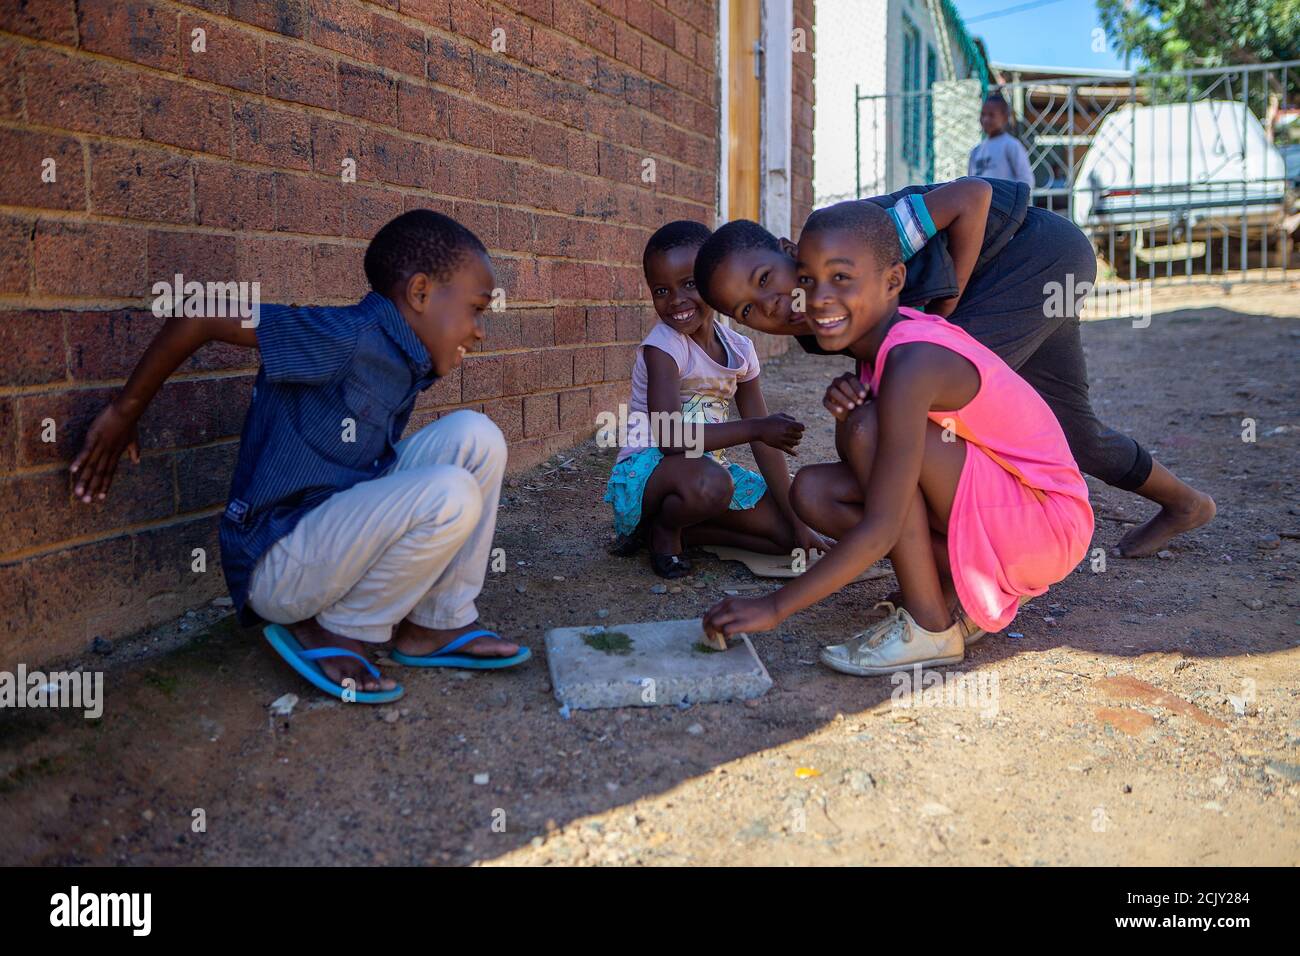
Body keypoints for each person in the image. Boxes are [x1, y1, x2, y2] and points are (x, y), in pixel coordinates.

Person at [69, 210, 529, 704]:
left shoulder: (404, 354)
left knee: (478, 436)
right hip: (280, 563)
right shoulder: (341, 335)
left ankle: (435, 624)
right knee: (451, 494)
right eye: (476, 309)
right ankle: (339, 629)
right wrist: (124, 412)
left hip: (331, 542)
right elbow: (199, 315)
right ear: (419, 294)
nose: (479, 330)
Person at [692, 178, 1215, 558]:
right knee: (1072, 431)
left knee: (934, 411)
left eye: (766, 279)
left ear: (789, 252)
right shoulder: (823, 323)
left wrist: (950, 304)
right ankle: (1186, 504)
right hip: (1035, 270)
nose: (773, 306)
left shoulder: (852, 243)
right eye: (747, 311)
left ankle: (951, 566)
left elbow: (973, 197)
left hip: (1032, 251)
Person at [702, 202, 1094, 673]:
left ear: (893, 281)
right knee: (814, 489)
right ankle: (959, 591)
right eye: (808, 280)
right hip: (1012, 519)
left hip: (1046, 523)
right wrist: (850, 416)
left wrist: (774, 606)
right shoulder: (878, 352)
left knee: (870, 428)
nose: (820, 297)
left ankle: (930, 626)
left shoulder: (913, 360)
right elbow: (866, 463)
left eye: (841, 278)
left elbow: (884, 522)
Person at [604, 221, 824, 578]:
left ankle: (686, 532)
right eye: (661, 290)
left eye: (689, 284)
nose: (676, 300)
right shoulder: (665, 346)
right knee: (712, 482)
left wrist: (797, 521)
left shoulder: (740, 351)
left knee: (787, 539)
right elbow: (672, 439)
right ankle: (663, 531)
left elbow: (765, 446)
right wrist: (756, 428)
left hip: (706, 475)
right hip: (650, 476)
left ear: (712, 283)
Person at [968, 92, 1034, 188]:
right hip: (982, 203)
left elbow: (1026, 180)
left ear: (1005, 117)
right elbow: (970, 183)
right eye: (983, 114)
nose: (985, 119)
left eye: (991, 115)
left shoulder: (1011, 145)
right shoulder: (976, 151)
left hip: (1005, 202)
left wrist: (1012, 200)